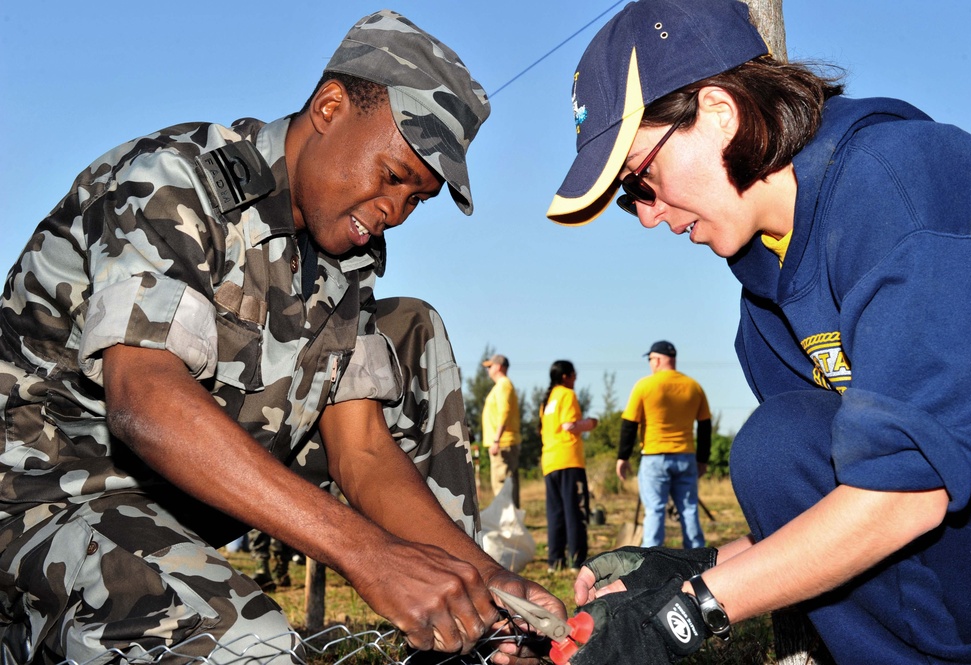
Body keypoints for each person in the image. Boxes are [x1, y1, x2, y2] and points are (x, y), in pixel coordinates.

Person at [0, 10, 561, 665]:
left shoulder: (346, 261)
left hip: (170, 511)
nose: (395, 211)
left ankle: (462, 635)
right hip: (44, 505)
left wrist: (486, 583)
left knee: (413, 328)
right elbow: (142, 398)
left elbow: (364, 451)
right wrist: (367, 553)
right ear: (329, 108)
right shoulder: (177, 181)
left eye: (417, 199)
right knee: (249, 647)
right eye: (392, 175)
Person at [546, 0, 971, 663]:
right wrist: (685, 567)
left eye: (642, 176)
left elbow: (906, 495)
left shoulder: (895, 185)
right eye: (628, 196)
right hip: (970, 545)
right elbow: (836, 502)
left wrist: (690, 610)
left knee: (775, 444)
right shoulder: (764, 305)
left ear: (720, 113)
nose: (646, 215)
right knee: (782, 449)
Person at [618, 341, 711, 549]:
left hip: (654, 458)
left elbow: (629, 425)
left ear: (658, 359)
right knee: (688, 509)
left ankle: (652, 562)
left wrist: (622, 457)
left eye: (650, 360)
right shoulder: (694, 387)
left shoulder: (645, 385)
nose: (650, 364)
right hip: (686, 457)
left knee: (655, 510)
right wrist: (702, 459)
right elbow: (705, 426)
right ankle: (698, 560)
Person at [539, 360, 598, 573]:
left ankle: (555, 561)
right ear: (565, 376)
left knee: (555, 512)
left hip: (550, 461)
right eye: (574, 375)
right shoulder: (567, 394)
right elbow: (569, 426)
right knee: (575, 511)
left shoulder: (547, 401)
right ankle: (577, 560)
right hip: (569, 459)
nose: (575, 380)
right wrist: (591, 423)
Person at [482, 354, 523, 507]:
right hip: (503, 441)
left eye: (490, 366)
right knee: (507, 483)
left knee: (502, 483)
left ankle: (507, 522)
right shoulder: (501, 386)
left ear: (499, 367)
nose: (488, 370)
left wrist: (496, 440)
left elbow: (504, 411)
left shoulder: (503, 384)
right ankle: (509, 520)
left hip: (502, 443)